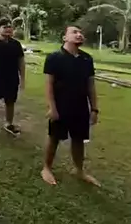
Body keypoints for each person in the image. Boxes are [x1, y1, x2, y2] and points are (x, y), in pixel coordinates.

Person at [41, 26, 100, 186]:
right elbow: (49, 85)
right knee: (54, 137)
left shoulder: (87, 59)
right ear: (64, 37)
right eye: (74, 32)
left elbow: (91, 85)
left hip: (80, 105)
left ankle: (79, 170)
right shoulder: (54, 57)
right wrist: (52, 107)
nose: (79, 35)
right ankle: (46, 168)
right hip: (61, 105)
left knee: (79, 139)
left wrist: (94, 109)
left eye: (81, 32)